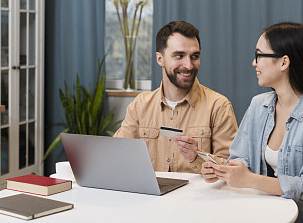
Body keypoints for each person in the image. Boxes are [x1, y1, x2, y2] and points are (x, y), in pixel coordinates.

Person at [201, 22, 303, 220]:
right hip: (260, 210)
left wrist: (250, 180)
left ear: (283, 62)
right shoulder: (259, 105)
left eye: (259, 55)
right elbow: (240, 158)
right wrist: (222, 170)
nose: (254, 63)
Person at [114, 21, 238, 173]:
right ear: (160, 59)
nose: (189, 65)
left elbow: (231, 167)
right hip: (151, 196)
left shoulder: (218, 106)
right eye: (179, 56)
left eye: (195, 56)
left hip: (198, 196)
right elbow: (117, 155)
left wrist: (196, 157)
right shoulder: (140, 105)